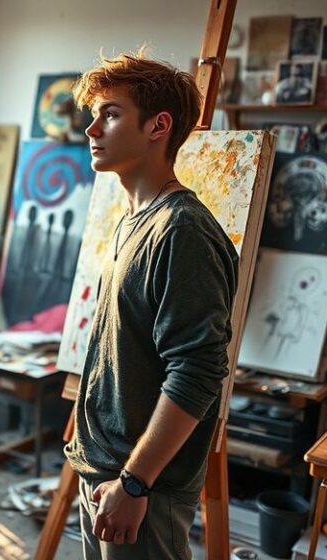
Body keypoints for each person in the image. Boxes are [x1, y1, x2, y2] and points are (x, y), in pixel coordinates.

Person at [63, 53, 239, 560]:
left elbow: (198, 370)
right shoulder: (134, 219)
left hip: (142, 486)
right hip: (106, 468)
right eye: (94, 114)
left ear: (158, 126)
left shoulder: (182, 230)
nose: (92, 129)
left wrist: (135, 483)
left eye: (111, 114)